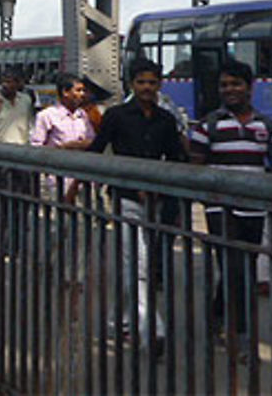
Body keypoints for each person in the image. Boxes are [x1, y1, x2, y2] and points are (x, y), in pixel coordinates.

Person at [87, 58, 185, 346]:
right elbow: (97, 149)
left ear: (159, 85)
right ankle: (153, 329)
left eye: (152, 82)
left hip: (156, 201)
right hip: (125, 198)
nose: (146, 87)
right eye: (141, 82)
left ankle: (119, 322)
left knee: (137, 264)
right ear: (132, 84)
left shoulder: (166, 120)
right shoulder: (116, 116)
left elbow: (176, 157)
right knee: (139, 265)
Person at [190, 59, 272, 350]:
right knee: (235, 268)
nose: (229, 90)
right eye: (224, 85)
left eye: (235, 84)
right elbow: (196, 167)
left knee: (243, 265)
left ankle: (217, 317)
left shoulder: (267, 126)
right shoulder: (209, 125)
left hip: (254, 209)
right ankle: (242, 335)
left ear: (249, 87)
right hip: (221, 210)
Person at [30, 73, 95, 200]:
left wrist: (73, 145)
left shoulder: (83, 115)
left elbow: (92, 140)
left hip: (81, 176)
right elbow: (36, 147)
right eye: (78, 90)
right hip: (57, 179)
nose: (82, 94)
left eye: (83, 90)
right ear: (65, 92)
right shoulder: (47, 116)